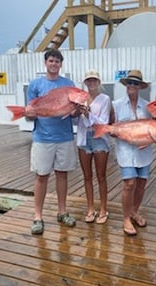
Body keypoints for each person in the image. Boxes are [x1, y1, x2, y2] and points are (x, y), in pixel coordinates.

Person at [27, 48, 78, 235]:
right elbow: (31, 115)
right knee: (41, 176)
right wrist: (28, 113)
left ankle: (62, 212)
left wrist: (77, 111)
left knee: (62, 174)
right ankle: (37, 216)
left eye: (57, 61)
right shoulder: (36, 85)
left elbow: (73, 113)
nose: (54, 64)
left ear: (61, 64)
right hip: (42, 138)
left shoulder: (69, 84)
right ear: (45, 63)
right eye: (51, 61)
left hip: (64, 137)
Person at [112, 70, 152, 236]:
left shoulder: (148, 106)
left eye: (136, 83)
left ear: (140, 86)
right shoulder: (116, 104)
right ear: (125, 85)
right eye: (130, 83)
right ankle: (126, 218)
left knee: (141, 184)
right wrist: (118, 131)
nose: (132, 86)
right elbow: (112, 127)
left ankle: (135, 211)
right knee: (129, 184)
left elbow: (153, 128)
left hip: (144, 152)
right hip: (126, 151)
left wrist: (149, 140)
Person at [76, 70, 111, 224]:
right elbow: (75, 121)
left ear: (99, 82)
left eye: (94, 80)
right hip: (84, 139)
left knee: (101, 176)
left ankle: (103, 208)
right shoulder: (79, 98)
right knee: (87, 176)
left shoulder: (105, 99)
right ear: (85, 82)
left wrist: (87, 114)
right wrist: (76, 113)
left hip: (99, 138)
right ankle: (91, 208)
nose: (91, 83)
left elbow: (103, 122)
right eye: (89, 80)